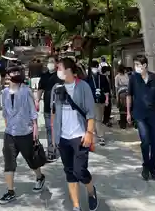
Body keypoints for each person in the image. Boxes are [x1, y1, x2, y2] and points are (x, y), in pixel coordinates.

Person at [51, 57, 98, 211]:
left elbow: (91, 112)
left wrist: (89, 132)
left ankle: (91, 191)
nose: (57, 71)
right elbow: (53, 114)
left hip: (80, 136)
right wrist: (54, 137)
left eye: (59, 68)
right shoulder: (56, 88)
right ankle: (76, 206)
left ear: (69, 70)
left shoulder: (83, 87)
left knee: (80, 171)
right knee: (69, 172)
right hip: (63, 137)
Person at [0, 65, 46, 205]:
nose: (15, 73)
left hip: (26, 132)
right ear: (7, 75)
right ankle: (10, 191)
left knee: (31, 159)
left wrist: (35, 129)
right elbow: (5, 113)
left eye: (17, 71)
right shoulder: (4, 93)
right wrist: (8, 126)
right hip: (10, 133)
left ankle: (40, 177)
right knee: (9, 162)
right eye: (12, 71)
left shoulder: (26, 91)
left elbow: (33, 112)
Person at [126, 55, 155, 181]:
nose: (136, 67)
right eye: (135, 65)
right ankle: (145, 166)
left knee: (154, 142)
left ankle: (153, 168)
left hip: (152, 114)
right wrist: (128, 112)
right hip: (139, 114)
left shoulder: (154, 78)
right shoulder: (133, 78)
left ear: (145, 65)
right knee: (145, 140)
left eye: (138, 65)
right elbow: (129, 95)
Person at [36, 55, 62, 161]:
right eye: (49, 61)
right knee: (48, 129)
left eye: (52, 61)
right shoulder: (44, 76)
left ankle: (58, 148)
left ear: (56, 64)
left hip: (59, 107)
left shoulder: (60, 76)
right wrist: (37, 100)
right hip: (47, 106)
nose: (50, 63)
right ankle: (51, 150)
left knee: (57, 128)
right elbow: (40, 89)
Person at [87, 60, 110, 146]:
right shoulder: (88, 78)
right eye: (94, 67)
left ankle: (98, 135)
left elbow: (107, 90)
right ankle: (100, 136)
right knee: (95, 119)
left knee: (98, 119)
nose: (95, 69)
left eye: (96, 67)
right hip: (91, 101)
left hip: (101, 100)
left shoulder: (103, 78)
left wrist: (107, 100)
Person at [115, 64, 130, 129]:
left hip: (121, 93)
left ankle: (123, 123)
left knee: (122, 108)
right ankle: (127, 121)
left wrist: (116, 97)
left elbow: (116, 87)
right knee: (128, 107)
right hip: (128, 92)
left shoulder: (117, 77)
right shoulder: (127, 76)